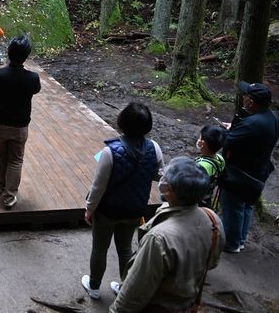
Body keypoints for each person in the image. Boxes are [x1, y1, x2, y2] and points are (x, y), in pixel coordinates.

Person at [109, 157, 225, 313]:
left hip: (157, 304)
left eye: (164, 177)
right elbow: (212, 263)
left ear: (168, 190)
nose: (161, 179)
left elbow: (135, 291)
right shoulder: (212, 219)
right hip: (186, 302)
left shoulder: (159, 238)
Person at [82, 102, 163, 300]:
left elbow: (98, 187)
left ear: (122, 122)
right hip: (135, 209)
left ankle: (94, 287)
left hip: (108, 210)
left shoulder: (110, 152)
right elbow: (158, 175)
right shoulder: (155, 148)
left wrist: (89, 209)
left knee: (100, 248)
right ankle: (125, 287)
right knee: (125, 248)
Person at [219, 81, 279, 253]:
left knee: (233, 207)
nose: (243, 96)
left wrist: (227, 131)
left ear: (251, 101)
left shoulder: (252, 124)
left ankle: (231, 243)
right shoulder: (273, 116)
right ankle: (240, 239)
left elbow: (227, 141)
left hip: (241, 174)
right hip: (258, 171)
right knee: (246, 206)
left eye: (245, 95)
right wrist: (236, 128)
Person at [0, 36, 41, 209]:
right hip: (20, 127)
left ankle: (2, 185)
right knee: (16, 160)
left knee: (0, 156)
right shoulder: (32, 78)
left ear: (9, 52)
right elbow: (36, 90)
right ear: (26, 56)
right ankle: (9, 196)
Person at [195, 125, 226, 208]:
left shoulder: (202, 166)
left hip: (198, 202)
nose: (198, 140)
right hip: (208, 198)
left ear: (202, 143)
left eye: (200, 138)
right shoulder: (220, 158)